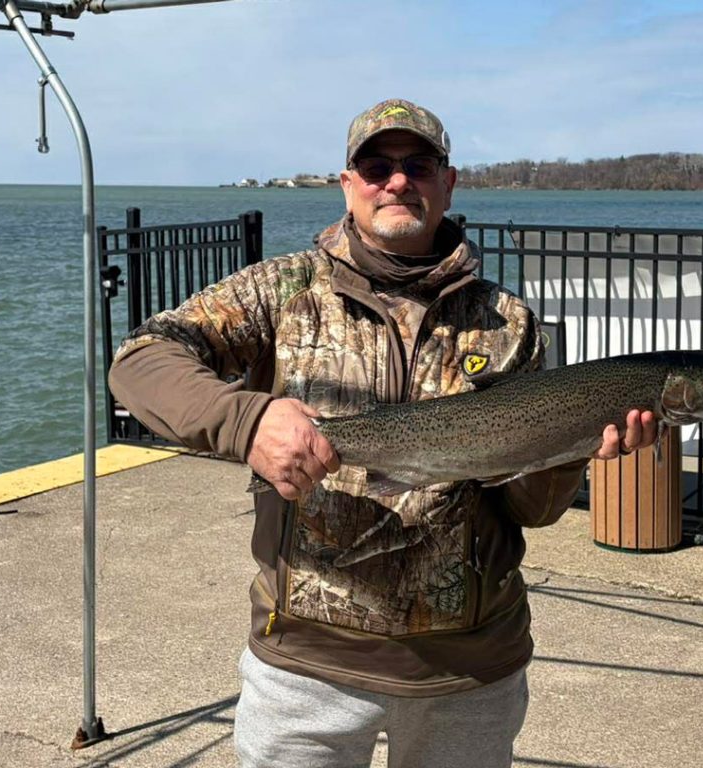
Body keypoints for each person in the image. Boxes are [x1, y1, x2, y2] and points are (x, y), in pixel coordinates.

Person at [108, 98, 657, 768]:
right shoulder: (282, 291)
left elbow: (529, 510)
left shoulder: (507, 321)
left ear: (447, 183)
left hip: (469, 673)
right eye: (376, 168)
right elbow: (140, 360)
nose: (397, 181)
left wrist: (572, 448)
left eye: (418, 166)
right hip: (305, 668)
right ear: (348, 185)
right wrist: (247, 421)